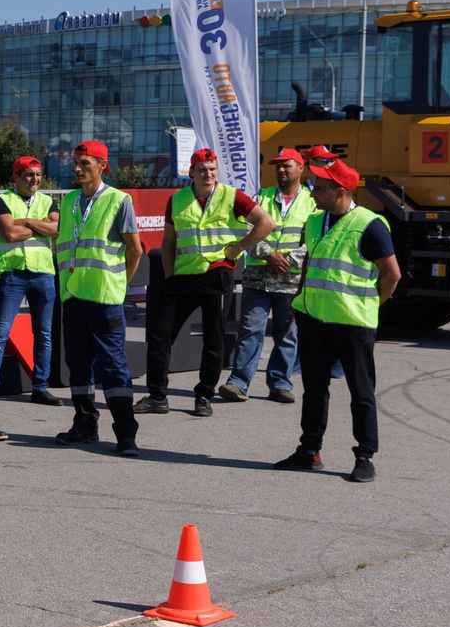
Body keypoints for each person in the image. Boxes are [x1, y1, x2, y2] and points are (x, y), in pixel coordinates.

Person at [272, 159, 401, 482]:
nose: (312, 191)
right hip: (314, 319)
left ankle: (365, 455)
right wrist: (300, 298)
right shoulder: (315, 221)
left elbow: (392, 274)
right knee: (314, 389)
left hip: (352, 323)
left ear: (339, 192)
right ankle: (309, 450)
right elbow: (310, 262)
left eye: (319, 187)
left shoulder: (370, 224)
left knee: (361, 391)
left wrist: (371, 304)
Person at [141, 148, 274, 417]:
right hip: (182, 277)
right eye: (202, 169)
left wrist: (238, 248)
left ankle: (203, 396)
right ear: (191, 173)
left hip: (216, 273)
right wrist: (168, 277)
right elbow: (168, 243)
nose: (208, 173)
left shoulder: (231, 195)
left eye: (212, 169)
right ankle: (157, 396)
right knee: (160, 335)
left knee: (213, 339)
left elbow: (266, 223)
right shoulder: (177, 200)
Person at [50, 140, 146, 455]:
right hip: (73, 296)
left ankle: (125, 435)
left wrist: (120, 284)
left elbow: (135, 249)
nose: (77, 169)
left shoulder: (120, 200)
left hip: (105, 299)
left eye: (85, 163)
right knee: (78, 365)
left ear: (102, 166)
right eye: (75, 163)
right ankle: (85, 426)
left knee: (113, 366)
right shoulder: (68, 203)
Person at [220, 147, 313, 403]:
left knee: (287, 334)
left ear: (300, 168)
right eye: (278, 166)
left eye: (287, 165)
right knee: (250, 330)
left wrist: (288, 260)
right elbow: (246, 229)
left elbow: (315, 240)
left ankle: (280, 385)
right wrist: (267, 254)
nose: (281, 170)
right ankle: (238, 383)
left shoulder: (313, 202)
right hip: (258, 278)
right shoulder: (261, 197)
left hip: (291, 281)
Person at [0, 154, 62, 422]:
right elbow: (9, 233)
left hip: (43, 273)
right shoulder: (1, 200)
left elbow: (57, 229)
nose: (34, 179)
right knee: (0, 333)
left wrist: (26, 223)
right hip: (13, 274)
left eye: (37, 175)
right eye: (28, 175)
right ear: (16, 177)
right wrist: (41, 225)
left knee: (44, 334)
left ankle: (40, 388)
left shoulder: (50, 200)